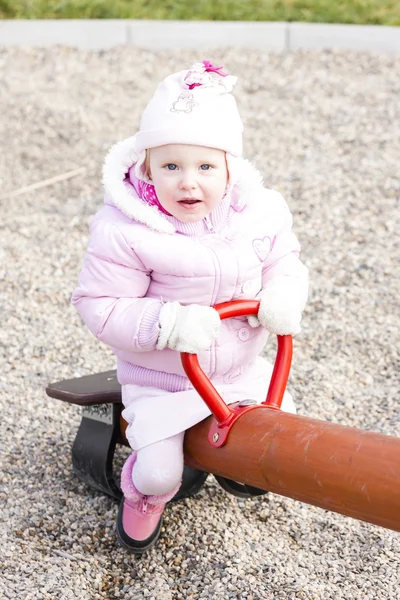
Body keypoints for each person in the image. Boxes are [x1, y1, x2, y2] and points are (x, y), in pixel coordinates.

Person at [72, 60, 308, 553]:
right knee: (161, 473)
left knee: (287, 435)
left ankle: (238, 468)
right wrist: (168, 323)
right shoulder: (127, 230)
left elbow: (283, 261)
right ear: (146, 167)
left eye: (205, 167)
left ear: (229, 166)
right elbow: (101, 305)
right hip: (163, 380)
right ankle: (142, 493)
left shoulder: (257, 214)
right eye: (171, 167)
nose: (188, 183)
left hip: (241, 371)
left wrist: (283, 294)